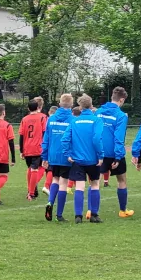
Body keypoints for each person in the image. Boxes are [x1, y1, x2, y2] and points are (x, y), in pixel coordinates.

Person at [61, 94, 104, 224]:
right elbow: (97, 139)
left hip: (78, 160)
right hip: (93, 159)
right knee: (95, 184)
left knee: (79, 186)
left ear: (80, 106)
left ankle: (78, 216)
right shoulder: (96, 120)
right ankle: (94, 214)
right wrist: (100, 155)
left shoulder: (74, 121)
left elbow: (64, 139)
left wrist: (67, 154)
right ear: (91, 105)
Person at [95, 86, 134, 218]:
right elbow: (119, 137)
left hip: (99, 151)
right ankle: (123, 210)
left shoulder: (98, 112)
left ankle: (91, 211)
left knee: (96, 181)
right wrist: (118, 157)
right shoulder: (121, 115)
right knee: (122, 180)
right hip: (113, 152)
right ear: (122, 100)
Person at [41, 94, 74, 222]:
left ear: (59, 104)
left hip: (53, 154)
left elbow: (46, 139)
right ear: (71, 105)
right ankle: (59, 214)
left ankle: (50, 202)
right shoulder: (72, 120)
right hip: (66, 155)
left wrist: (44, 156)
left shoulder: (51, 119)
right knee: (63, 184)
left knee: (55, 179)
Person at [19, 99, 47, 201]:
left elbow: (21, 135)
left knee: (30, 168)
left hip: (27, 147)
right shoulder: (43, 117)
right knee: (35, 169)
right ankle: (31, 193)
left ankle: (32, 190)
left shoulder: (24, 119)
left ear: (28, 108)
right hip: (38, 147)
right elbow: (45, 133)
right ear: (38, 107)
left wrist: (21, 150)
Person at [41, 106, 59, 196]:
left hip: (46, 146)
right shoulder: (52, 121)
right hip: (53, 148)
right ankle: (47, 186)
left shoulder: (47, 119)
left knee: (48, 169)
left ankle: (49, 185)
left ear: (49, 112)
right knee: (52, 169)